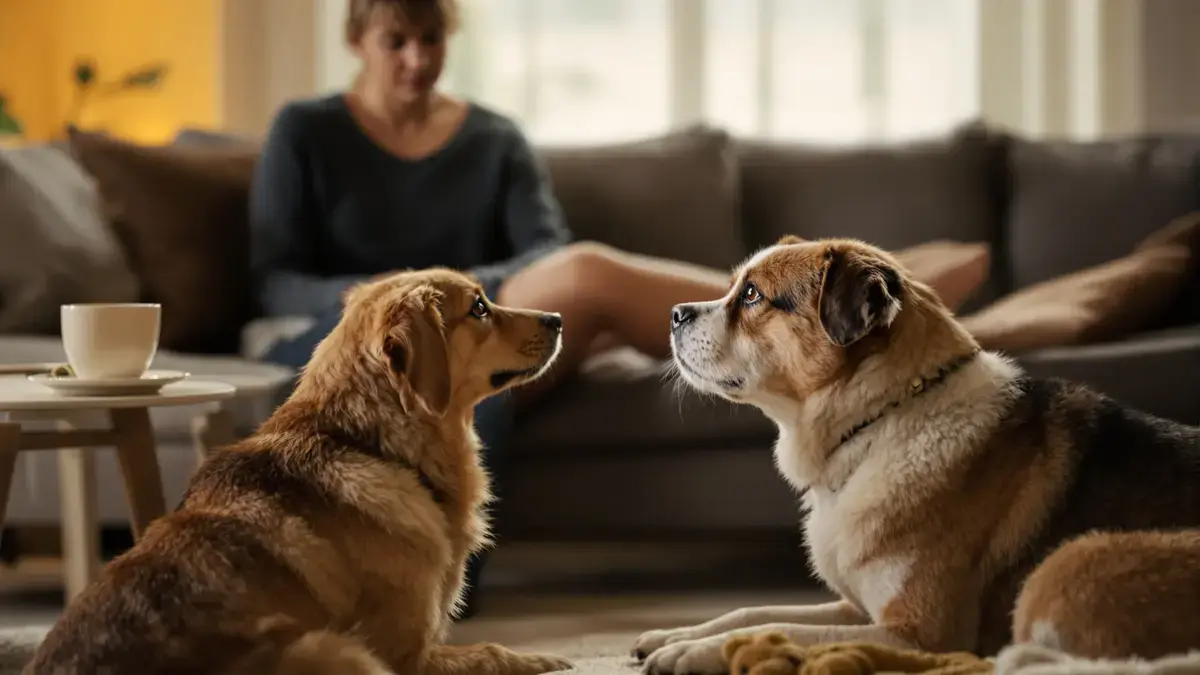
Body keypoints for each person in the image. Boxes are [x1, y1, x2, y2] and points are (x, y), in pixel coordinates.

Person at [248, 0, 729, 617]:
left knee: (584, 272)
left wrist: (466, 290)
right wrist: (380, 296)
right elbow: (274, 280)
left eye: (431, 39)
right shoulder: (304, 130)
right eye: (396, 41)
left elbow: (544, 253)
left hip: (480, 315)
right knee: (567, 287)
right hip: (345, 332)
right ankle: (790, 305)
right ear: (356, 41)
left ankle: (794, 307)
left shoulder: (494, 138)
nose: (417, 59)